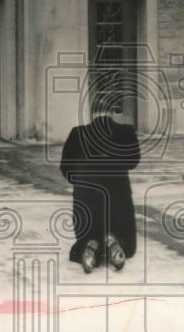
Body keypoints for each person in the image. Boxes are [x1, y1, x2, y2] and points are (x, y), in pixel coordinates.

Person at [60, 91, 140, 273]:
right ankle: (113, 242)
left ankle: (90, 245)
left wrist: (81, 182)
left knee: (80, 244)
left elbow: (65, 167)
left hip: (86, 204)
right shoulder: (126, 131)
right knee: (129, 246)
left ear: (92, 113)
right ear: (112, 112)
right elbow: (133, 162)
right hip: (118, 204)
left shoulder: (77, 133)